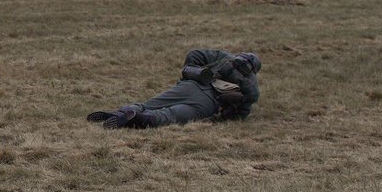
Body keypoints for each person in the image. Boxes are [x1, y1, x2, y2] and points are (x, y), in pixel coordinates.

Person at [89, 50, 260, 129]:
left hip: (191, 86)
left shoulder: (224, 57)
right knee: (168, 116)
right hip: (207, 104)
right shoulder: (251, 83)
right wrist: (224, 118)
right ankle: (138, 119)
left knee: (149, 104)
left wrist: (192, 73)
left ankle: (124, 112)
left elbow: (194, 54)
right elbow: (242, 112)